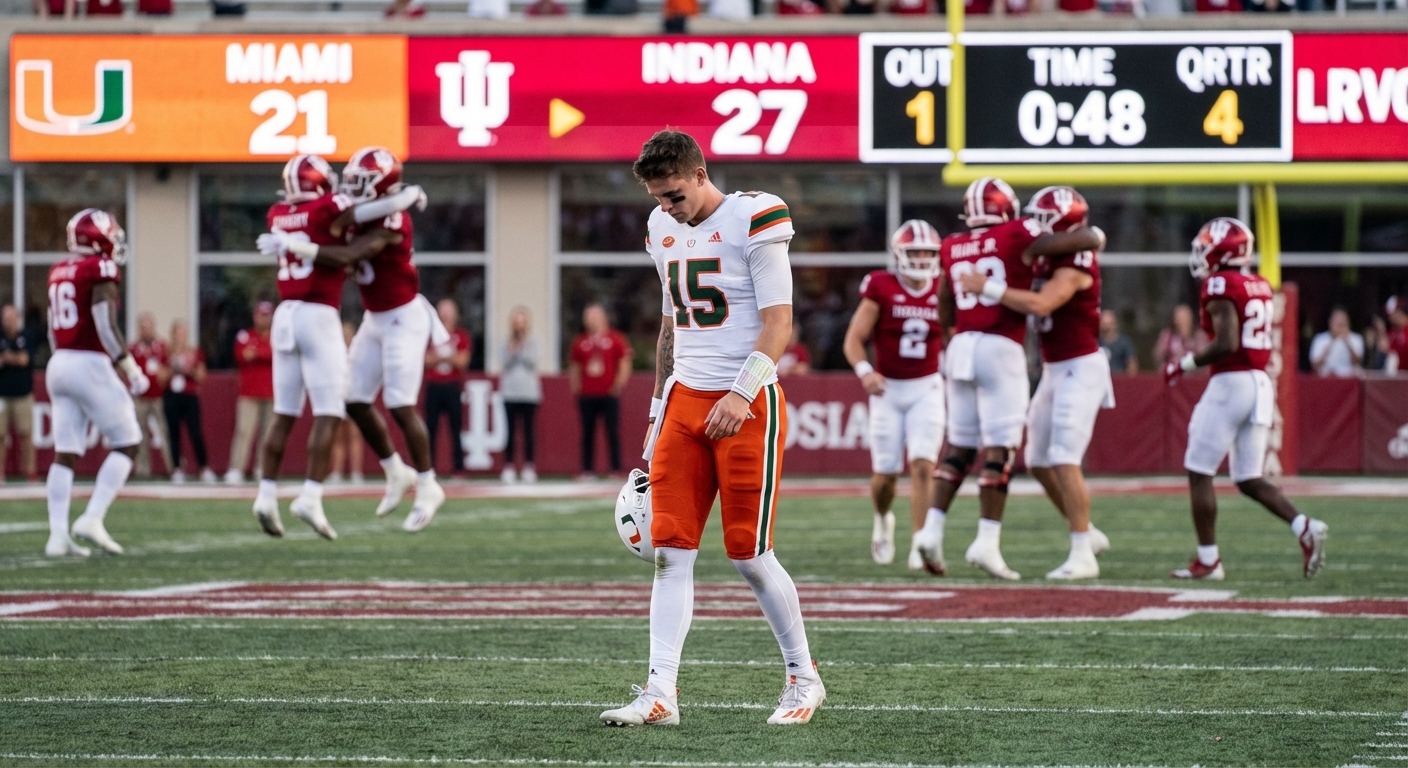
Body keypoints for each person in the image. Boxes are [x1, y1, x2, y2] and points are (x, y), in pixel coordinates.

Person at [599, 130, 824, 727]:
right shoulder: (658, 226)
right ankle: (659, 695)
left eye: (673, 194)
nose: (666, 206)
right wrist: (655, 412)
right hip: (683, 403)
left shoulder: (754, 215)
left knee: (749, 554)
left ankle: (804, 678)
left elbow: (780, 323)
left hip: (744, 404)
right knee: (671, 553)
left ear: (699, 173)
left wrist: (741, 391)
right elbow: (670, 327)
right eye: (657, 196)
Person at [913, 177, 1103, 581]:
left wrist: (951, 335)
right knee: (1000, 448)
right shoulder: (1016, 232)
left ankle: (931, 530)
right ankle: (987, 541)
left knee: (959, 447)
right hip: (1000, 346)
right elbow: (1089, 239)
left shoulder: (952, 244)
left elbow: (944, 300)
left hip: (962, 343)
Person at [251, 154, 422, 540]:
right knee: (330, 410)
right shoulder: (328, 208)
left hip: (285, 314)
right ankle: (311, 495)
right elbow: (378, 207)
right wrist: (410, 194)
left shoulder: (277, 213)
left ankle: (265, 494)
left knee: (284, 412)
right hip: (318, 314)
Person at [1164, 217, 1328, 580]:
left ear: (1224, 250)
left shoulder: (1219, 283)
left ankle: (1209, 561)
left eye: (1207, 246)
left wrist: (1184, 364)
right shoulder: (1258, 283)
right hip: (1260, 382)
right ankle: (1303, 525)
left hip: (1231, 383)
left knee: (1199, 470)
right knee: (1248, 478)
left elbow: (1226, 343)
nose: (1202, 254)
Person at [337, 147, 447, 533]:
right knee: (352, 399)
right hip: (375, 316)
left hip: (404, 317)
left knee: (400, 405)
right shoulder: (371, 211)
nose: (352, 187)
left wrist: (311, 250)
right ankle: (395, 471)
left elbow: (354, 251)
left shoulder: (393, 217)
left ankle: (429, 484)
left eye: (360, 181)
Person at [43, 209, 148, 557]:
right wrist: (129, 369)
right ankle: (92, 517)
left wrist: (63, 359)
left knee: (66, 452)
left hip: (59, 361)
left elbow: (50, 326)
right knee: (128, 441)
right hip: (88, 361)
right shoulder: (99, 268)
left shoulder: (60, 270)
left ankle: (57, 535)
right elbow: (104, 324)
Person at [842, 219, 945, 570]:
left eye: (927, 252)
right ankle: (883, 517)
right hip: (887, 389)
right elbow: (854, 339)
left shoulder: (944, 288)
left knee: (922, 466)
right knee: (886, 474)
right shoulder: (881, 285)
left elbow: (956, 334)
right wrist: (865, 372)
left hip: (928, 385)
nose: (920, 258)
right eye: (914, 251)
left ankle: (921, 542)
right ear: (899, 254)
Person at [569, 303, 632, 480]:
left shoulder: (615, 338)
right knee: (587, 432)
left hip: (608, 393)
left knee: (612, 431)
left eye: (594, 316)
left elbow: (624, 362)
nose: (591, 320)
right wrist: (577, 387)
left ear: (603, 317)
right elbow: (575, 366)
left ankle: (615, 469)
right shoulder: (581, 341)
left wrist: (618, 385)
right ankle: (587, 470)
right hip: (587, 394)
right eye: (588, 316)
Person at [225, 301, 275, 484]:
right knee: (244, 431)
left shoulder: (276, 336)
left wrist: (258, 353)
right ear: (255, 316)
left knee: (268, 434)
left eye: (268, 315)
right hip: (248, 393)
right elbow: (241, 355)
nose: (265, 319)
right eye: (262, 315)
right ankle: (236, 469)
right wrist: (262, 353)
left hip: (271, 392)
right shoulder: (245, 335)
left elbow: (275, 354)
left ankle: (262, 469)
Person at [164, 319, 215, 484]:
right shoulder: (166, 352)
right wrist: (173, 367)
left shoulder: (194, 352)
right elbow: (160, 378)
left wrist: (189, 369)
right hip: (172, 395)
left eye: (183, 333)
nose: (181, 336)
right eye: (178, 333)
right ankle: (177, 468)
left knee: (195, 432)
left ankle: (203, 467)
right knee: (173, 433)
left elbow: (201, 376)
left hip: (190, 395)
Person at [425, 299, 472, 477]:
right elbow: (425, 361)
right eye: (442, 310)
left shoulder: (461, 335)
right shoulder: (429, 335)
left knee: (456, 428)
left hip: (452, 386)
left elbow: (462, 361)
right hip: (433, 386)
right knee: (430, 428)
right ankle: (428, 469)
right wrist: (446, 357)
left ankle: (458, 469)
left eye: (448, 311)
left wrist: (442, 357)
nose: (445, 314)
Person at [499, 306, 541, 484]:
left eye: (522, 322)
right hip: (510, 392)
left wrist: (523, 346)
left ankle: (529, 466)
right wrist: (513, 348)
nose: (519, 326)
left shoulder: (534, 342)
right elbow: (505, 363)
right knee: (509, 431)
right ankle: (508, 466)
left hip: (529, 393)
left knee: (528, 431)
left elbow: (533, 362)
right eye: (516, 322)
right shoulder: (505, 342)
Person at [129, 312, 173, 478]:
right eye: (143, 327)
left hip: (158, 397)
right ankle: (142, 468)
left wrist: (164, 375)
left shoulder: (162, 347)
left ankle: (171, 467)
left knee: (163, 432)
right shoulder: (133, 349)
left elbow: (169, 369)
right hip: (140, 398)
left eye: (148, 327)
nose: (145, 331)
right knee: (139, 434)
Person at [0, 304, 38, 482]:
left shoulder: (27, 335)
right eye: (5, 318)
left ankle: (29, 473)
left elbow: (25, 360)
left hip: (23, 393)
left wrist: (8, 358)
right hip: (2, 395)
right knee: (0, 436)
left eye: (11, 317)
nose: (8, 321)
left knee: (26, 435)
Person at [328, 322, 365, 485]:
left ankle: (356, 473)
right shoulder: (334, 354)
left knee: (355, 435)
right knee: (337, 437)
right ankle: (337, 472)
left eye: (348, 333)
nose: (345, 337)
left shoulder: (359, 354)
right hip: (338, 397)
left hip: (354, 397)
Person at [1309, 308, 1365, 378]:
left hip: (1349, 378)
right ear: (1330, 322)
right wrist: (1332, 341)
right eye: (1337, 322)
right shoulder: (1320, 339)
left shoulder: (1356, 338)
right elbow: (1314, 365)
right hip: (1326, 378)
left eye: (1342, 323)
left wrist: (1347, 342)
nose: (1339, 326)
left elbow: (1358, 362)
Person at [1154, 304, 1208, 372]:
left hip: (1195, 374)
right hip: (1173, 372)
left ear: (1191, 318)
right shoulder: (1167, 335)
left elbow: (1204, 356)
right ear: (1174, 319)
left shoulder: (1199, 335)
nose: (1183, 320)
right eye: (1180, 317)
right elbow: (1158, 356)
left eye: (1185, 316)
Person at [1099, 310, 1139, 375]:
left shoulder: (1124, 342)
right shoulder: (1095, 343)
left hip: (1120, 379)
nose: (1106, 327)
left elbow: (1132, 364)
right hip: (1100, 379)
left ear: (1115, 324)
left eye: (1109, 324)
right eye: (1103, 324)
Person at [1384, 297, 1408, 375]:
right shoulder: (1391, 332)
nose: (1390, 317)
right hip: (1395, 377)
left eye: (1394, 313)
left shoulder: (1405, 331)